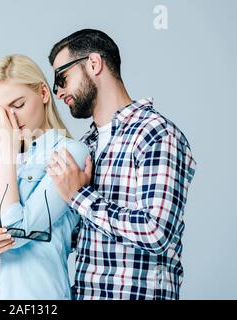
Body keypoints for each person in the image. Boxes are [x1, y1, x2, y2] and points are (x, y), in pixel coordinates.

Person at [46, 29, 197, 299]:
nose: (58, 92)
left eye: (62, 78)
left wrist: (79, 196)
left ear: (94, 64)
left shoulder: (156, 134)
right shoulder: (84, 146)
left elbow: (156, 233)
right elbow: (72, 238)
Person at [0, 54, 90, 299]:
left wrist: (6, 154)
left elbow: (15, 232)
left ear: (43, 93)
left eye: (17, 105)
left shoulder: (71, 154)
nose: (10, 119)